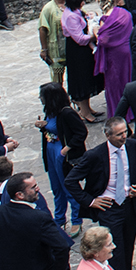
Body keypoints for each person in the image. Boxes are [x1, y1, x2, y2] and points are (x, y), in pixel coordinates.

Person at [63, 121, 136, 270]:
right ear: (108, 135)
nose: (124, 137)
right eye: (119, 134)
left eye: (125, 132)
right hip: (109, 208)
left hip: (129, 205)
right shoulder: (95, 155)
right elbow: (70, 180)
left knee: (128, 247)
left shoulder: (134, 146)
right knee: (115, 251)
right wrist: (91, 201)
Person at [35, 84, 87, 229]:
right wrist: (43, 126)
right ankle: (59, 218)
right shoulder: (50, 112)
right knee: (56, 187)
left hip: (61, 154)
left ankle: (76, 219)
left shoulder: (67, 113)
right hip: (51, 152)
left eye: (42, 96)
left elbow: (81, 133)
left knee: (68, 187)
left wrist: (67, 149)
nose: (40, 98)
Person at [92, 0, 136, 120]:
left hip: (113, 55)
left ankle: (119, 113)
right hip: (126, 51)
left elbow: (103, 40)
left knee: (114, 84)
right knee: (127, 80)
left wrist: (96, 31)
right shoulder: (125, 13)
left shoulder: (105, 19)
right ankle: (131, 111)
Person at [38, 0, 73, 88]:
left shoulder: (71, 4)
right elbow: (43, 29)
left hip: (71, 46)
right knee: (57, 80)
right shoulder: (49, 8)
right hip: (56, 49)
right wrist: (44, 49)